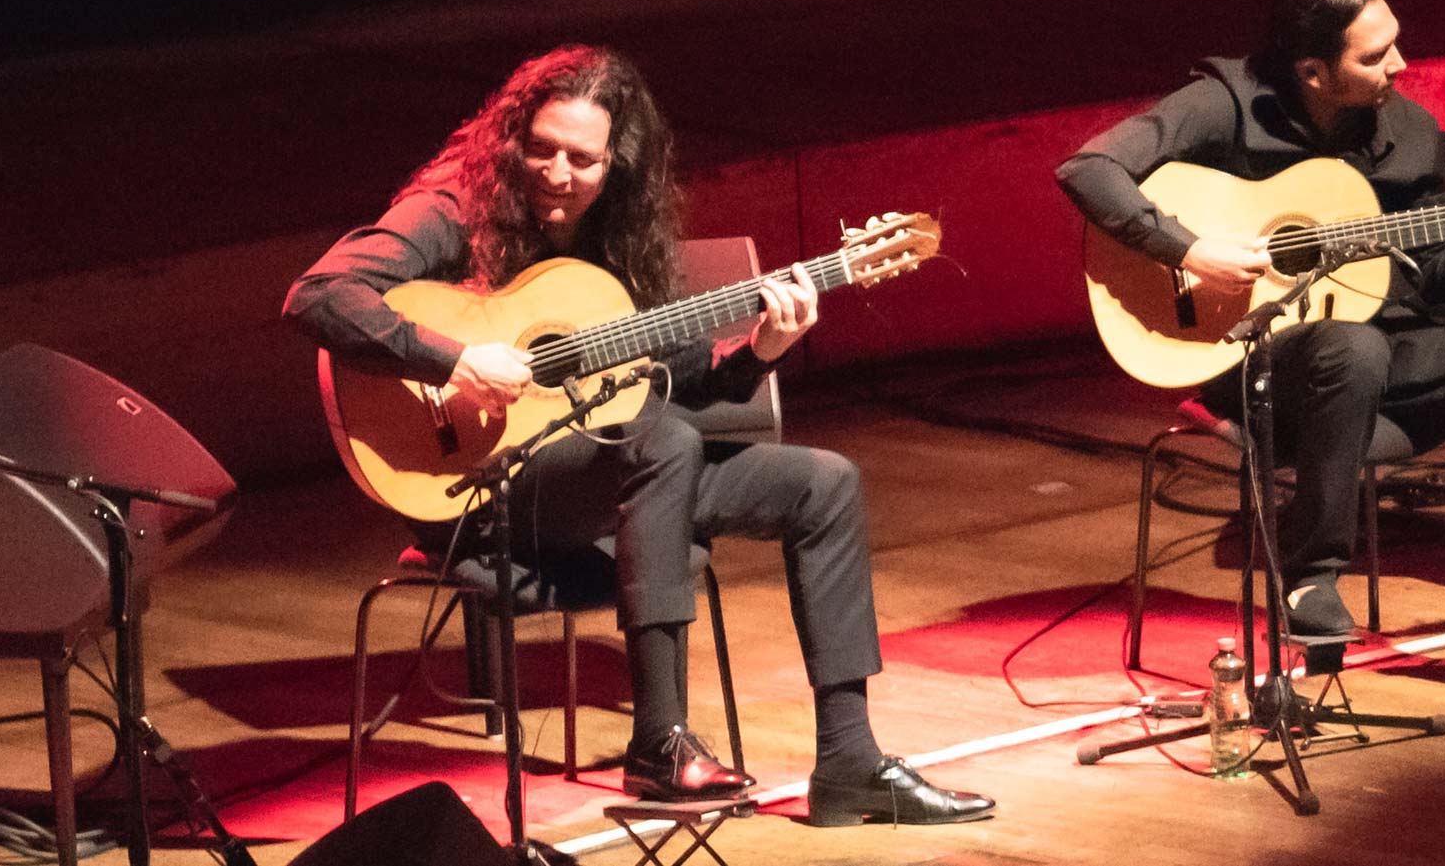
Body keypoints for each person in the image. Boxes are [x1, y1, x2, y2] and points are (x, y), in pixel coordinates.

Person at [284, 45, 995, 822]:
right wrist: (455, 359)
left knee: (822, 483)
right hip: (477, 492)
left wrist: (759, 349)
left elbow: (673, 373)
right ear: (511, 138)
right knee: (665, 443)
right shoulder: (456, 203)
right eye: (542, 149)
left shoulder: (621, 233)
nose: (557, 174)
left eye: (582, 160)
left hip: (604, 479)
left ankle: (851, 761)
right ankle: (659, 741)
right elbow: (319, 294)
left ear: (616, 164)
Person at [1056, 0, 1445, 705]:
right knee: (1350, 348)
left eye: (1394, 44)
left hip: (1389, 339)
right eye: (1374, 56)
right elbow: (1088, 168)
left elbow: (1430, 275)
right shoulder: (1226, 103)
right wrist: (1190, 249)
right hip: (1254, 353)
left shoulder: (1409, 132)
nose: (1400, 64)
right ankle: (1311, 579)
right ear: (1313, 71)